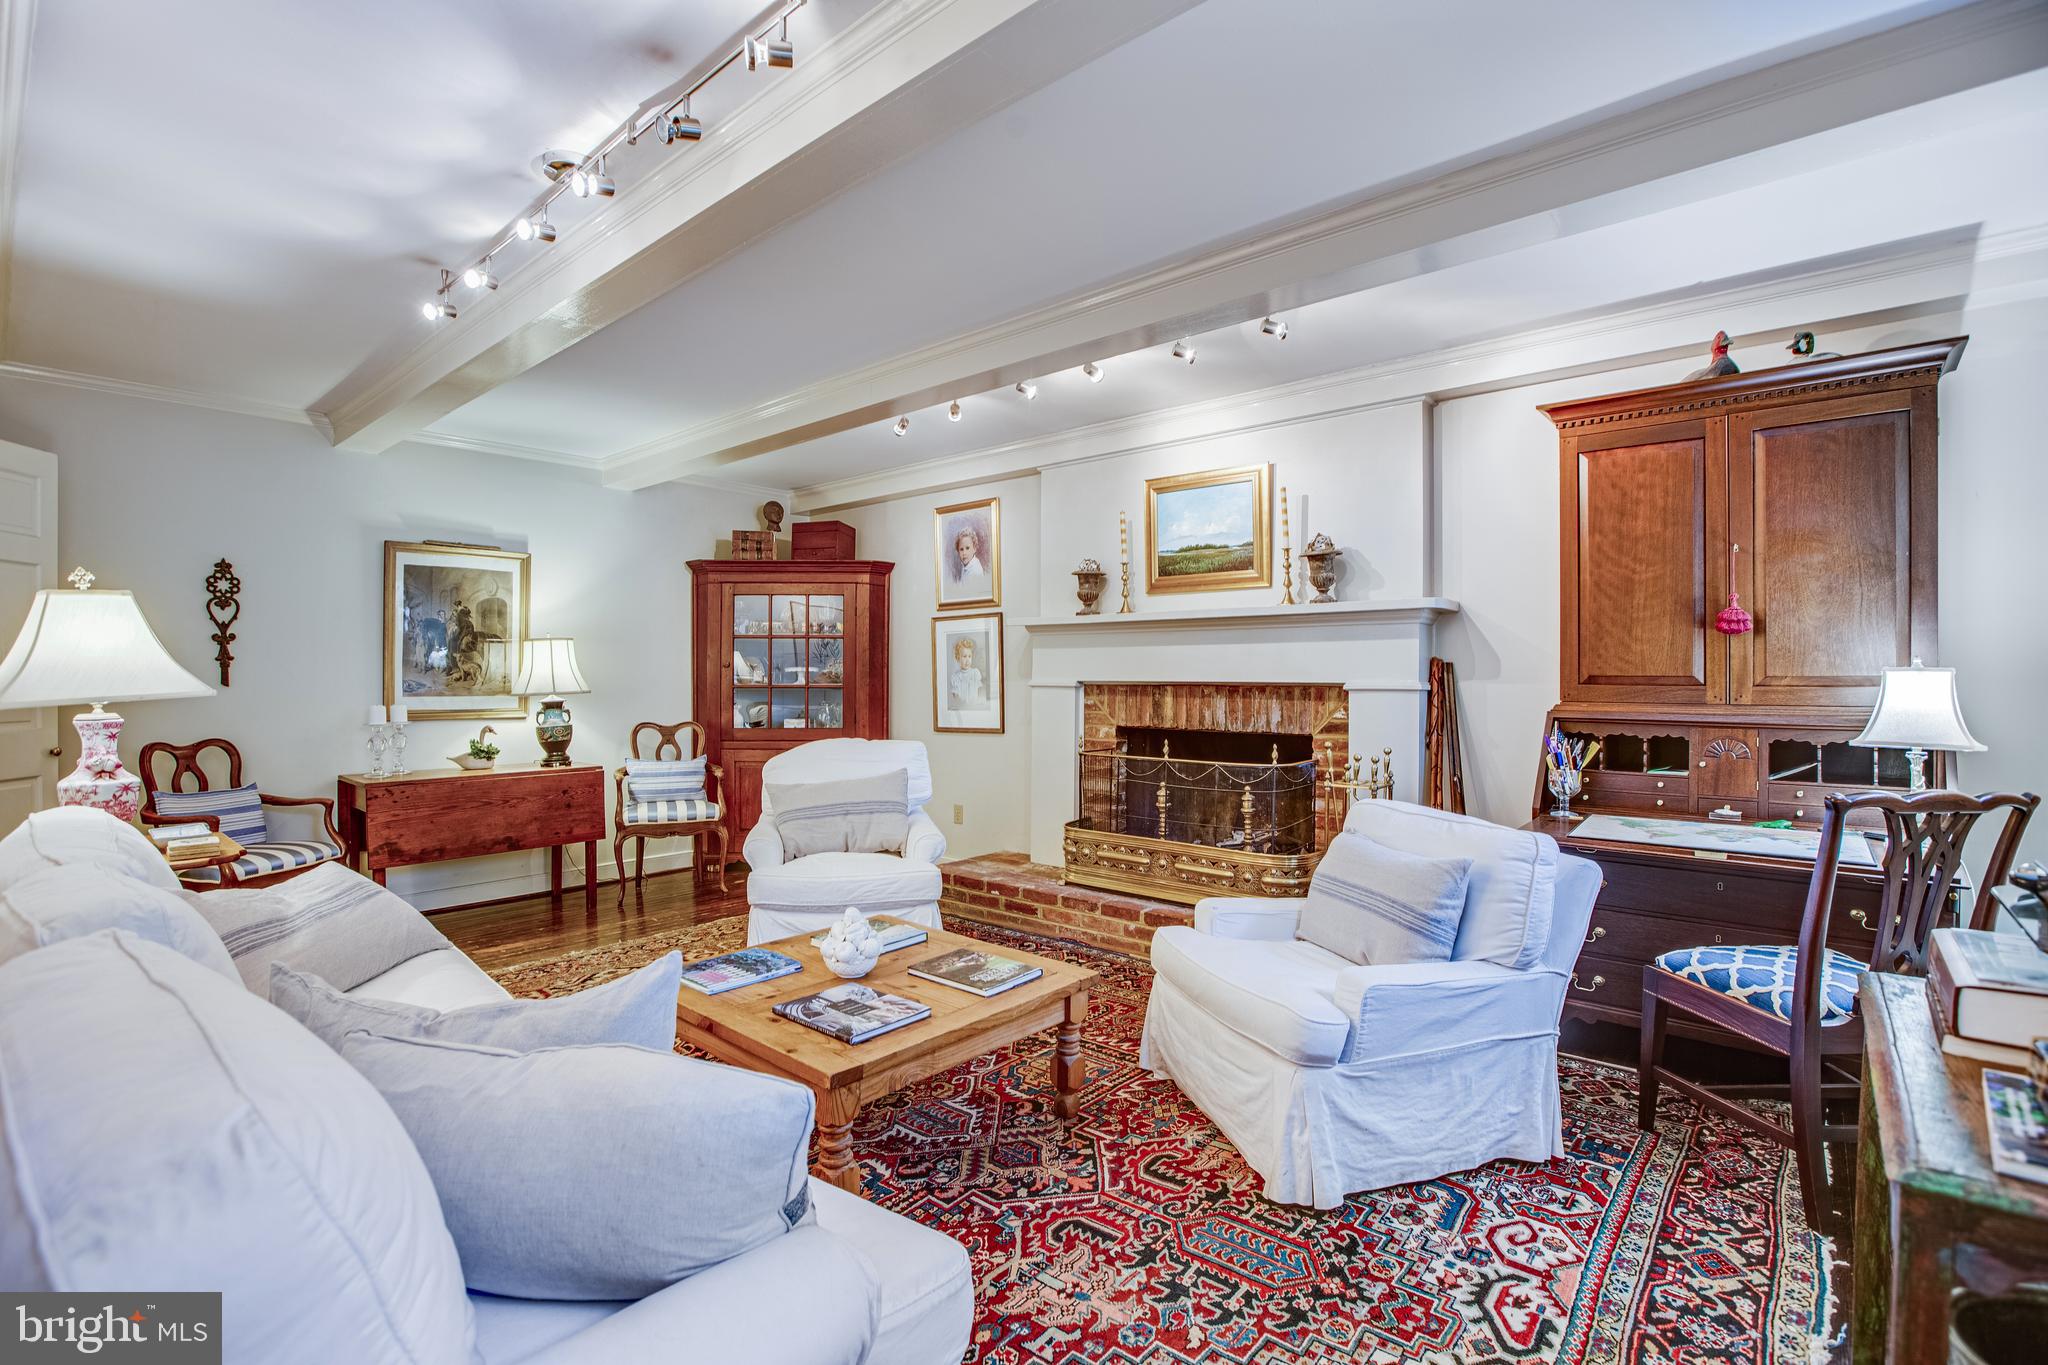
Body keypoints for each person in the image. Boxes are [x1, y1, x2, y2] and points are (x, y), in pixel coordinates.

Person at [948, 523, 989, 596]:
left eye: (967, 548)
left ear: (974, 549)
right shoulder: (966, 565)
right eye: (961, 549)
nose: (964, 553)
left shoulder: (975, 570)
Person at [947, 636, 985, 709]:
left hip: (975, 707)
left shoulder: (975, 673)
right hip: (962, 708)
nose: (967, 660)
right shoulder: (955, 677)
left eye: (969, 656)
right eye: (964, 656)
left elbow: (980, 692)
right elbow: (956, 698)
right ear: (958, 658)